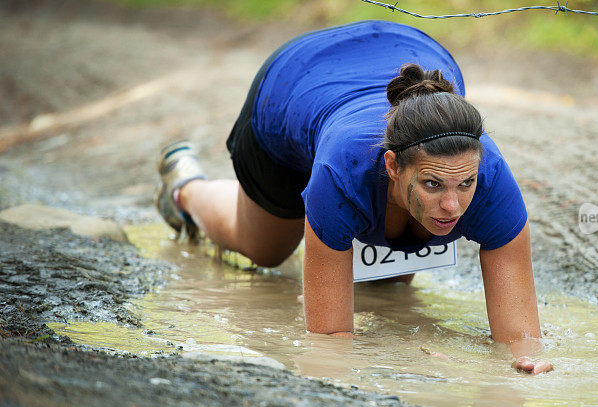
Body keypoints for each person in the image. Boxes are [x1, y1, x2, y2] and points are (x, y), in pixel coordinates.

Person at [155, 20, 552, 374]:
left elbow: (521, 343)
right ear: (393, 166)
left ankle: (393, 218)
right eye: (434, 184)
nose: (453, 206)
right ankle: (186, 189)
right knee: (264, 250)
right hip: (293, 81)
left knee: (393, 278)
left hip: (403, 45)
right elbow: (329, 343)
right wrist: (406, 359)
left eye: (465, 184)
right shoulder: (340, 172)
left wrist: (520, 365)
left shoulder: (491, 177)